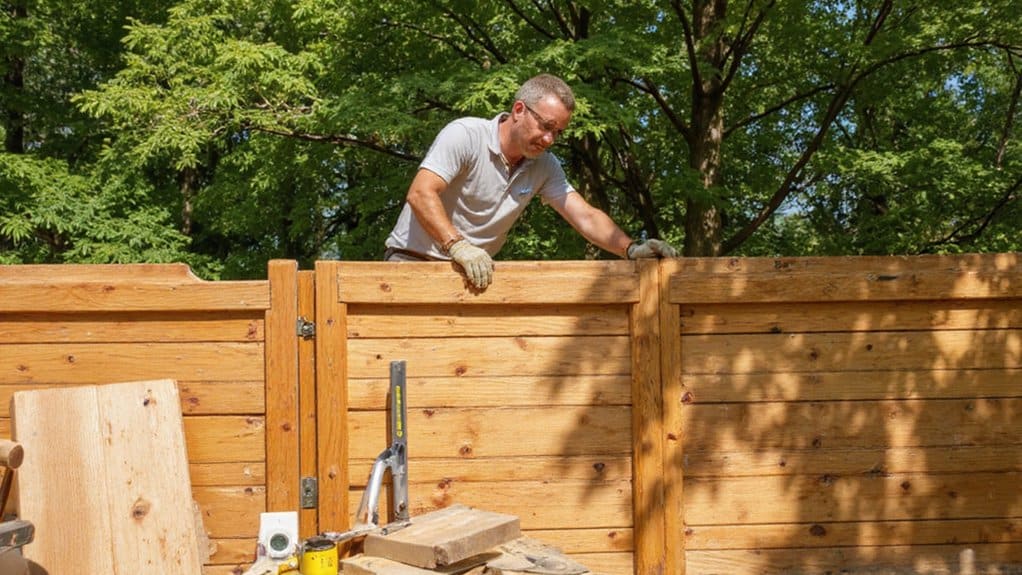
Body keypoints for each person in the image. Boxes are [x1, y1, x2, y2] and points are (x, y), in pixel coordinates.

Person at [384, 73, 678, 288]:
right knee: (401, 369)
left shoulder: (544, 166)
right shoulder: (465, 135)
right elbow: (421, 193)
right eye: (546, 126)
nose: (550, 139)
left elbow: (585, 216)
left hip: (473, 276)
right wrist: (458, 247)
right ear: (519, 110)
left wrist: (631, 249)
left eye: (558, 132)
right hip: (411, 263)